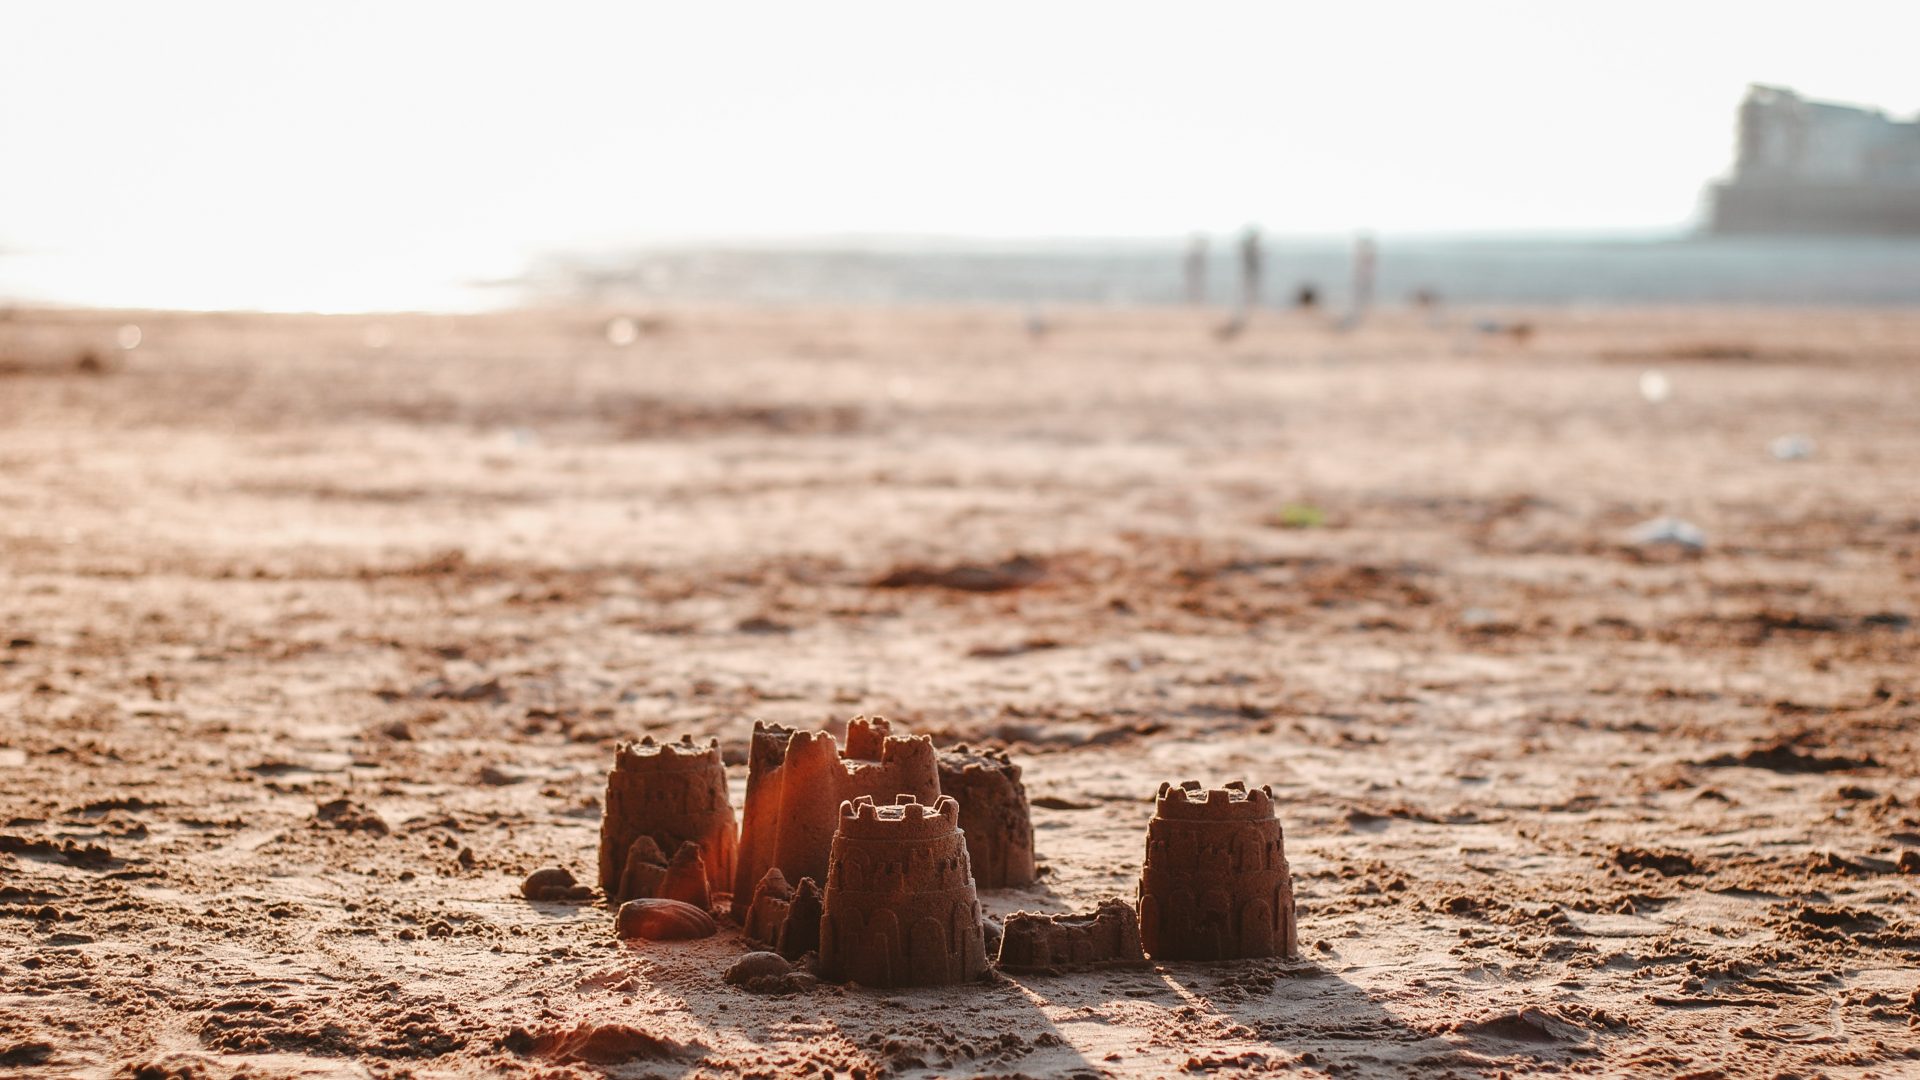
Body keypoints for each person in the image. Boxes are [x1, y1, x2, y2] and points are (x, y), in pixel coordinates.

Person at [1237, 226, 1263, 314]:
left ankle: (1251, 304)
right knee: (1248, 287)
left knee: (1251, 287)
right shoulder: (1249, 247)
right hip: (1249, 270)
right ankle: (1249, 304)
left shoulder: (1251, 247)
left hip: (1251, 270)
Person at [1184, 234, 1208, 305]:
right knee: (1193, 287)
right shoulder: (1193, 255)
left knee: (1197, 287)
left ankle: (1197, 300)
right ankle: (1193, 300)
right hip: (1193, 276)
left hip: (1197, 276)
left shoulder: (1197, 255)